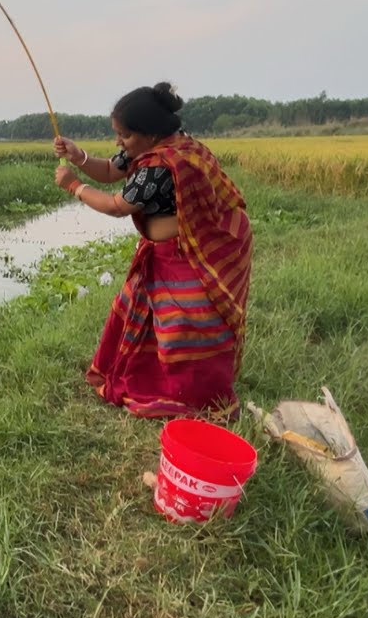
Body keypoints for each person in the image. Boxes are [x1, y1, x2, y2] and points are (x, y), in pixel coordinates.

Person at [52, 82, 252, 420]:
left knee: (188, 324)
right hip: (164, 252)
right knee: (136, 308)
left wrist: (74, 185)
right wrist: (78, 155)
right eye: (117, 134)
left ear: (150, 134)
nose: (119, 142)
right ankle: (156, 378)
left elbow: (117, 206)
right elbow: (110, 170)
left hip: (193, 251)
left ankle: (196, 393)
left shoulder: (161, 166)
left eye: (125, 135)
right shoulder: (156, 147)